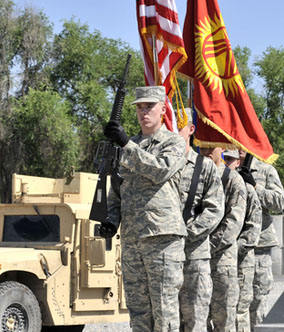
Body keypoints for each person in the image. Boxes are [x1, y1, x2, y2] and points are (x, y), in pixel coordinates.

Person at [103, 86, 187, 332]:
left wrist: (126, 143)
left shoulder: (173, 143)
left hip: (162, 238)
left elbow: (160, 170)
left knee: (164, 311)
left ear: (163, 109)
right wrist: (111, 219)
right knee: (138, 312)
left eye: (149, 106)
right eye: (139, 107)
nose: (143, 111)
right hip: (132, 240)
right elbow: (116, 189)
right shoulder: (129, 146)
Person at [177, 110, 224, 332]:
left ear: (191, 129)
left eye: (178, 124)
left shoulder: (202, 166)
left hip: (193, 254)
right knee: (165, 321)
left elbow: (214, 209)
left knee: (195, 318)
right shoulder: (157, 165)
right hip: (161, 256)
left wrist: (185, 234)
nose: (173, 130)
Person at [199, 147, 247, 332]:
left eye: (212, 145)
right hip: (195, 261)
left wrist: (206, 246)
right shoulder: (194, 174)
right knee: (196, 319)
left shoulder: (233, 180)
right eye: (202, 145)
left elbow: (233, 223)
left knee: (224, 320)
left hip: (221, 261)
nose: (206, 150)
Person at [237, 150, 284, 330]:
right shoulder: (225, 167)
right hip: (230, 245)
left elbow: (280, 202)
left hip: (258, 245)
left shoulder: (265, 170)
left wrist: (256, 188)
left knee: (257, 301)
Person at [224, 150, 262, 332]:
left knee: (239, 311)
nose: (227, 163)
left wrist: (231, 250)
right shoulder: (214, 186)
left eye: (230, 159)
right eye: (224, 158)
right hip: (218, 259)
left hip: (240, 260)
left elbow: (253, 229)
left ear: (238, 162)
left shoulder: (247, 190)